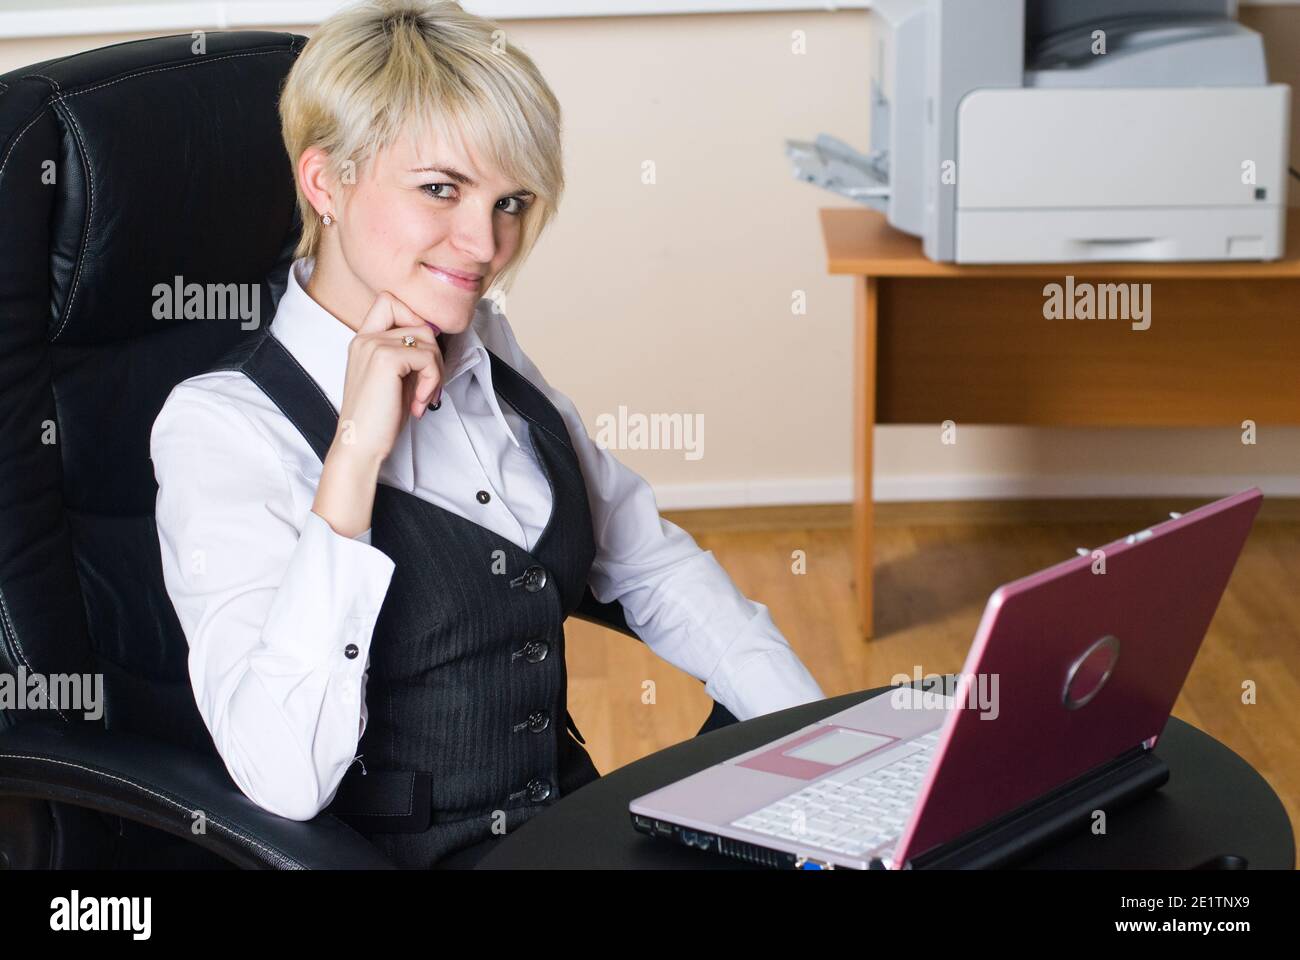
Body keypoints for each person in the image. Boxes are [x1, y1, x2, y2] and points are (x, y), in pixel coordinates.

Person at [150, 0, 825, 869]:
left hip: (569, 832)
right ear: (326, 183)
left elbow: (648, 563)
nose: (486, 244)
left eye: (510, 200)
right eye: (441, 188)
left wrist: (819, 741)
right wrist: (354, 455)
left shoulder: (482, 343)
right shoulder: (221, 429)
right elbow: (283, 777)